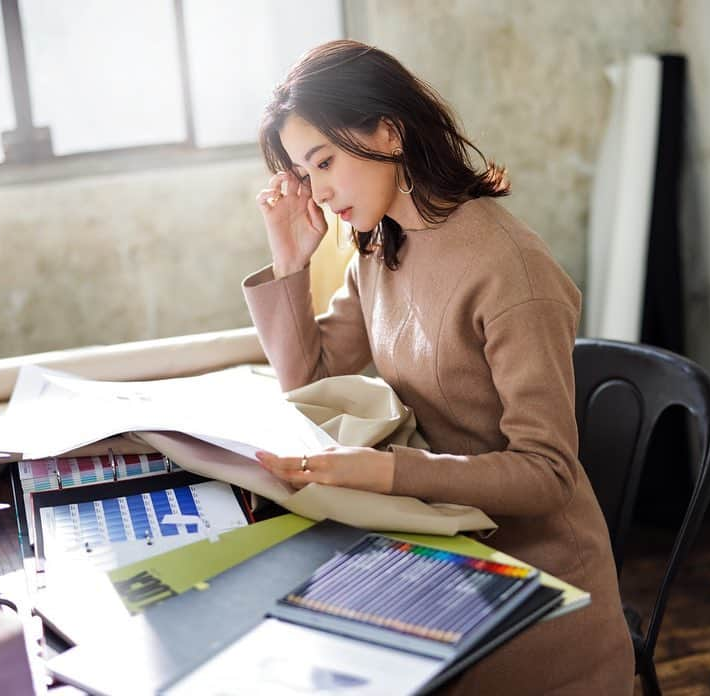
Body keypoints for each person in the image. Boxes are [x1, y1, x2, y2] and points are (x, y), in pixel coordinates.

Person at [242, 39, 634, 695]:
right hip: (440, 542)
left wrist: (387, 473)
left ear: (388, 132)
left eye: (325, 161)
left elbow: (547, 475)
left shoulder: (509, 269)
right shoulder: (381, 243)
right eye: (304, 176)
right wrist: (291, 256)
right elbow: (310, 382)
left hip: (535, 580)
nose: (319, 191)